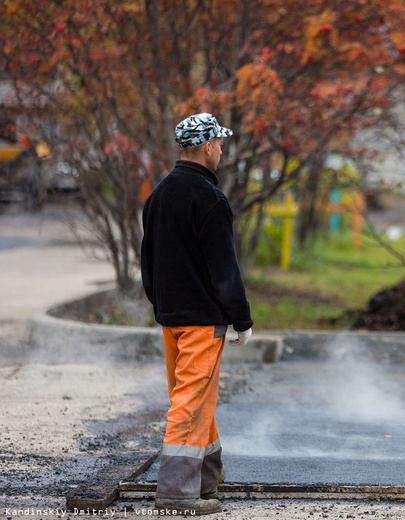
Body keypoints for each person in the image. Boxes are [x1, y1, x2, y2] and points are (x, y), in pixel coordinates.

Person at [141, 113, 254, 515]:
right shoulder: (209, 199)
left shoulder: (158, 195)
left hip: (171, 318)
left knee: (192, 395)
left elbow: (147, 263)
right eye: (220, 144)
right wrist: (241, 318)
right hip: (202, 321)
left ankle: (205, 479)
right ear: (207, 146)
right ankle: (175, 494)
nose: (222, 150)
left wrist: (161, 305)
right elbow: (224, 269)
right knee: (190, 400)